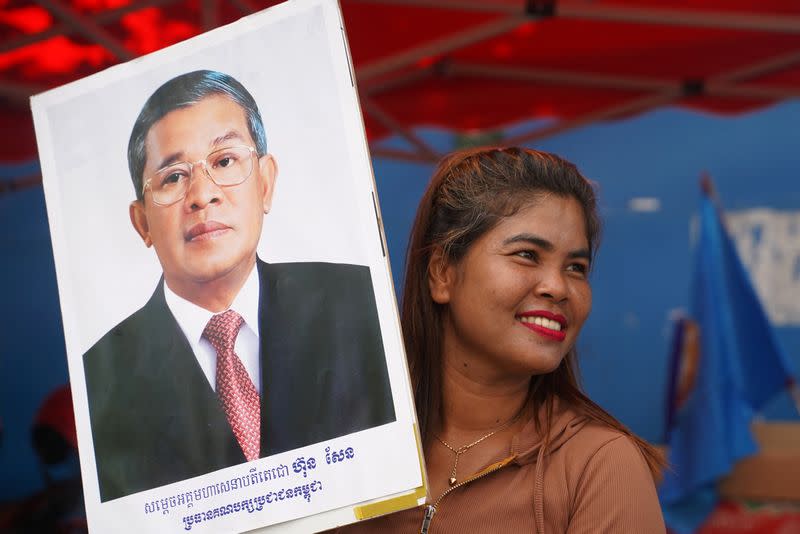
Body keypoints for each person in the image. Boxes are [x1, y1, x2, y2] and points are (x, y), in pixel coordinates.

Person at [82, 70, 395, 502]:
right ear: (142, 223)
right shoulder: (98, 381)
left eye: (224, 161)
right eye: (173, 177)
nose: (201, 195)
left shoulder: (361, 303)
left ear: (265, 183)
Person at [336, 147, 665, 533]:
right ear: (442, 272)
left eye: (576, 268)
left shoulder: (598, 465)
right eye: (527, 255)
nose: (558, 287)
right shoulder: (347, 450)